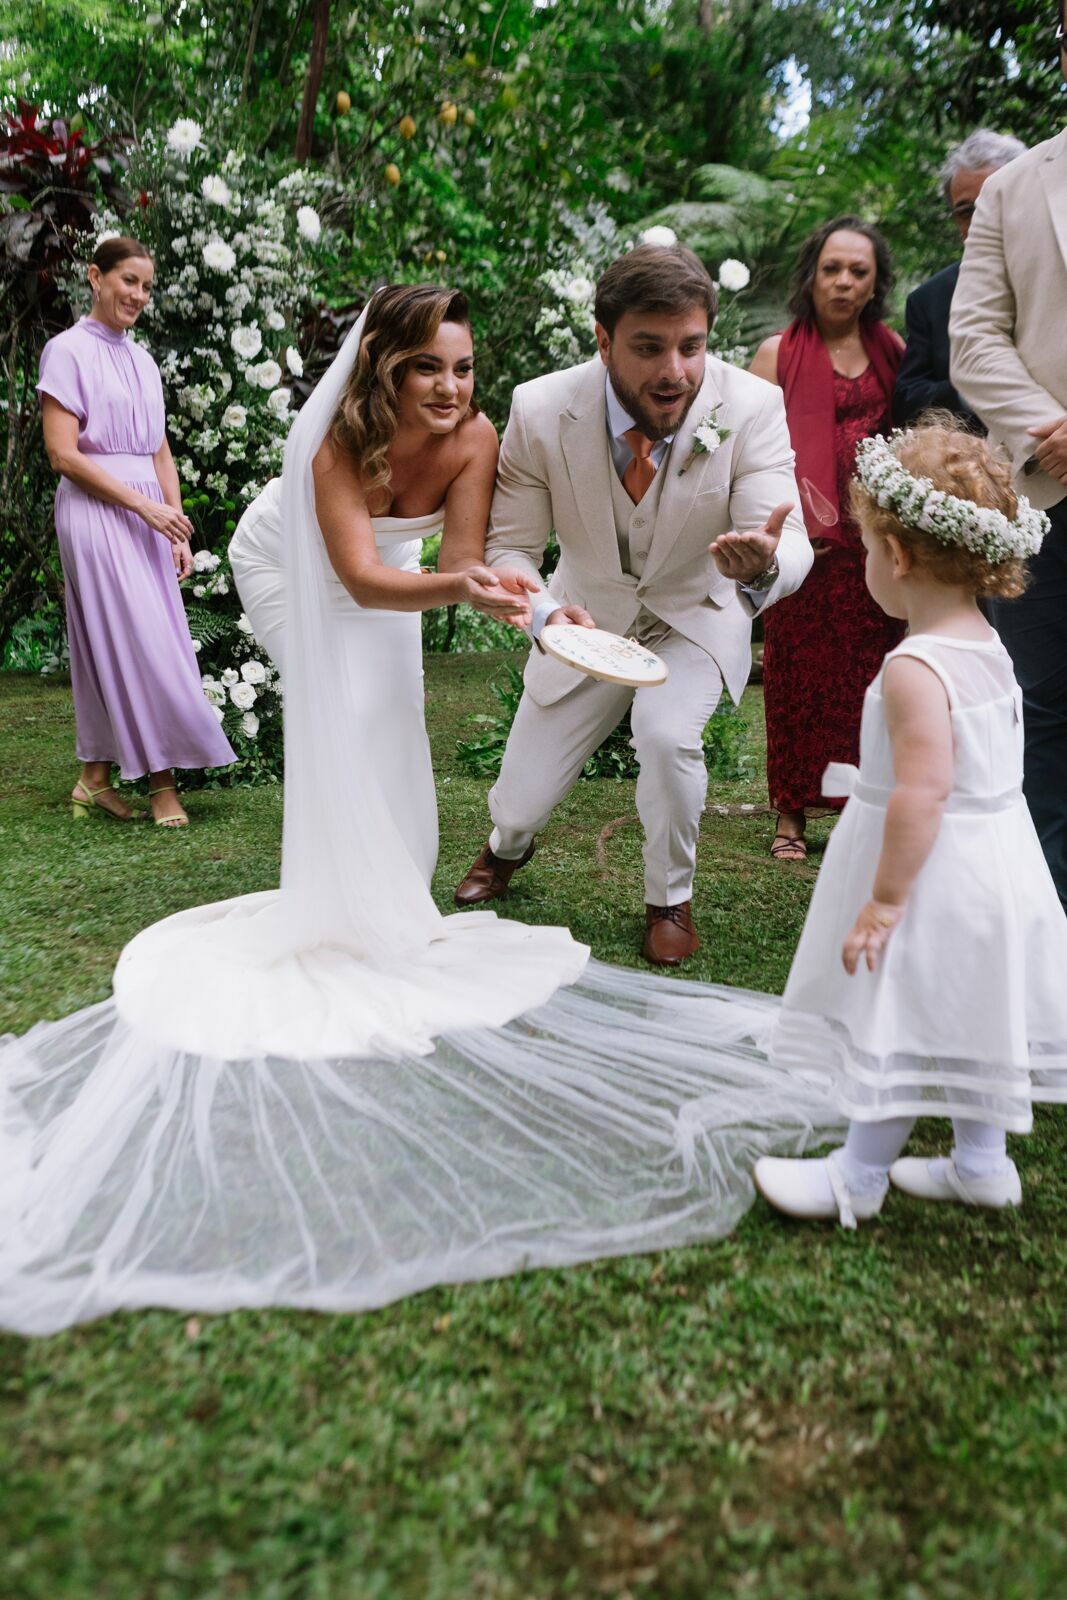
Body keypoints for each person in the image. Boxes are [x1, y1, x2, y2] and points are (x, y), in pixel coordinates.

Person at [0, 283, 837, 1337]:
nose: (449, 389)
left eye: (463, 368)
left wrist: (530, 603)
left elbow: (459, 563)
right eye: (427, 368)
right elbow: (351, 571)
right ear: (384, 369)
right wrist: (484, 593)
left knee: (394, 718)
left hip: (398, 584)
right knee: (343, 716)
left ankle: (386, 905)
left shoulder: (478, 432)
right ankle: (337, 902)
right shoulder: (337, 444)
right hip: (297, 570)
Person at [453, 242, 813, 965]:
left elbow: (788, 535)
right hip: (582, 619)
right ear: (603, 339)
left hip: (693, 616)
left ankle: (668, 898)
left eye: (691, 346)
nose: (674, 371)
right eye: (648, 348)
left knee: (665, 734)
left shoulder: (750, 405)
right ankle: (507, 846)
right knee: (520, 798)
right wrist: (544, 612)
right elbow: (512, 549)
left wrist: (764, 563)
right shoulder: (540, 406)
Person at [754, 420, 1067, 1226]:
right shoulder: (987, 645)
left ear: (894, 557)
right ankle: (980, 1162)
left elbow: (923, 792)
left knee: (901, 1019)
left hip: (933, 876)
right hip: (999, 863)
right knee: (970, 1016)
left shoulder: (912, 668)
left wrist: (886, 899)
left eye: (863, 548)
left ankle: (854, 1178)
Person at [37, 236, 235, 827]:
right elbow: (62, 456)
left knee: (129, 641)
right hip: (95, 513)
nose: (139, 296)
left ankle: (94, 779)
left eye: (147, 287)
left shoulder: (145, 361)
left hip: (148, 514)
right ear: (95, 277)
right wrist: (145, 512)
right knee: (140, 643)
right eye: (129, 281)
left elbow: (161, 453)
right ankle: (161, 784)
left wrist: (175, 530)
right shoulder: (65, 351)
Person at [949, 11, 1067, 910]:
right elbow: (975, 341)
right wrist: (1048, 426)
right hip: (1047, 500)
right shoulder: (1015, 188)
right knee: (1041, 724)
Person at [749, 217, 905, 863]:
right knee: (795, 677)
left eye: (857, 272)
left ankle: (858, 804)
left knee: (869, 679)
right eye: (831, 269)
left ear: (874, 284)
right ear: (810, 276)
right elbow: (748, 451)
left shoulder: (895, 351)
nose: (842, 282)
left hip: (879, 548)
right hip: (805, 548)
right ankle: (790, 811)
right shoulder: (773, 353)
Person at [893, 129, 1025, 429]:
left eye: (995, 202)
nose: (982, 220)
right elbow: (907, 399)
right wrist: (977, 389)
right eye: (967, 211)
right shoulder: (929, 300)